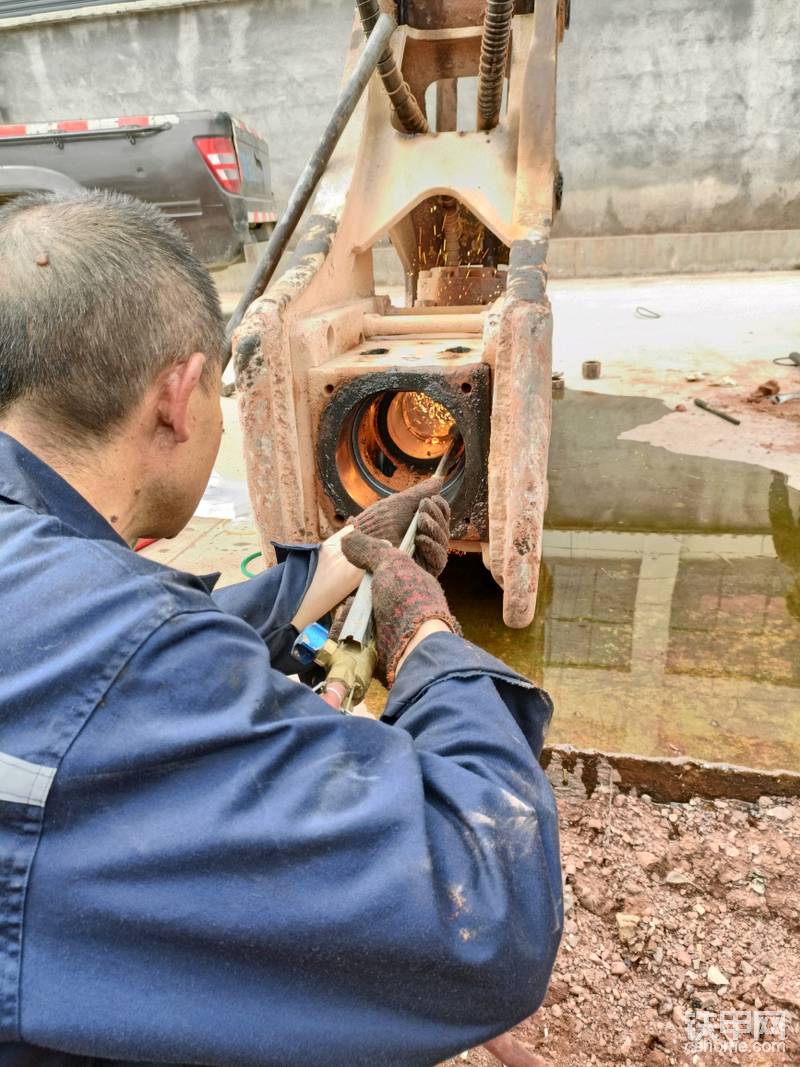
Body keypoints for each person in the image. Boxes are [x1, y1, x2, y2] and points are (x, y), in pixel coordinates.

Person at [0, 191, 562, 1067]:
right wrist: (428, 645)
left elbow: (103, 665)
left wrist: (336, 561)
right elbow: (489, 906)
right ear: (179, 398)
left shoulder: (51, 592)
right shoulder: (127, 657)